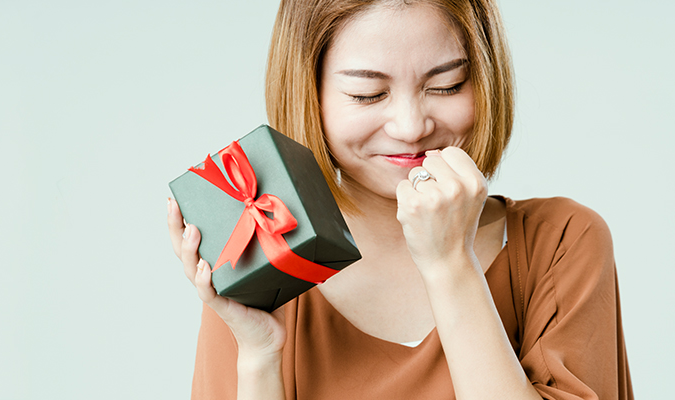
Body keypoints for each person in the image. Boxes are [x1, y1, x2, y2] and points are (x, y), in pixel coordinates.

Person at [166, 0, 633, 399]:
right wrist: (259, 357)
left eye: (447, 85)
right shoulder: (263, 252)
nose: (411, 127)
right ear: (312, 93)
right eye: (368, 94)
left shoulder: (562, 242)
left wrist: (451, 264)